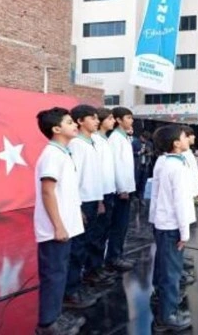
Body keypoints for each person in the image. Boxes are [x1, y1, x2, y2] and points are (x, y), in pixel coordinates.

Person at [34, 107, 85, 335]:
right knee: (53, 275)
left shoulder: (63, 153)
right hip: (55, 230)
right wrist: (58, 225)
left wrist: (76, 212)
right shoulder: (52, 155)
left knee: (60, 273)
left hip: (65, 226)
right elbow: (48, 191)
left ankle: (55, 316)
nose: (75, 125)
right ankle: (47, 324)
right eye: (69, 122)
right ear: (56, 129)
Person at [150, 125, 194, 332]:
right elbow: (180, 202)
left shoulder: (166, 162)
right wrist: (185, 233)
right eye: (185, 136)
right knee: (172, 272)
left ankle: (163, 303)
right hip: (172, 225)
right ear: (176, 143)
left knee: (165, 267)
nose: (188, 139)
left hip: (164, 223)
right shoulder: (176, 168)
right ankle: (167, 316)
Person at [64, 105, 108, 309]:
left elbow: (94, 176)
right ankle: (70, 292)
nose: (97, 121)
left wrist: (99, 200)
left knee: (86, 245)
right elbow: (73, 178)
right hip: (81, 202)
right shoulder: (76, 145)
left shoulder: (92, 143)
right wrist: (77, 207)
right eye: (93, 118)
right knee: (77, 248)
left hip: (92, 200)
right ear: (80, 121)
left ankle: (80, 282)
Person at [84, 108, 118, 285]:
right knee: (96, 234)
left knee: (103, 232)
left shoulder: (104, 140)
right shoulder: (95, 140)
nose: (113, 121)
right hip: (100, 192)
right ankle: (92, 269)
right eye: (110, 118)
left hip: (108, 190)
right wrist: (100, 198)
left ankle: (98, 266)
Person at [106, 107, 136, 273]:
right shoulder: (115, 139)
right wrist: (122, 188)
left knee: (123, 225)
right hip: (121, 190)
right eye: (128, 117)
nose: (131, 121)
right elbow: (116, 166)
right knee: (118, 225)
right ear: (118, 120)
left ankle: (118, 254)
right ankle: (113, 257)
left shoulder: (124, 137)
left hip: (127, 187)